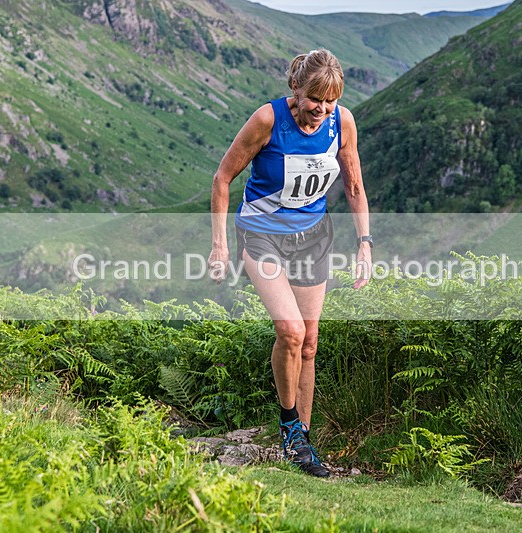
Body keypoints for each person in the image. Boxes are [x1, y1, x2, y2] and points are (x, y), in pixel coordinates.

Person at [208, 49, 372, 478]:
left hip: (313, 238)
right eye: (315, 98)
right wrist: (220, 246)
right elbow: (223, 177)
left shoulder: (342, 122)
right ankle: (288, 426)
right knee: (291, 330)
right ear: (296, 90)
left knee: (311, 342)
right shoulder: (267, 120)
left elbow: (353, 185)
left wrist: (365, 244)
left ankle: (301, 441)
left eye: (330, 101)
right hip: (262, 236)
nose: (321, 110)